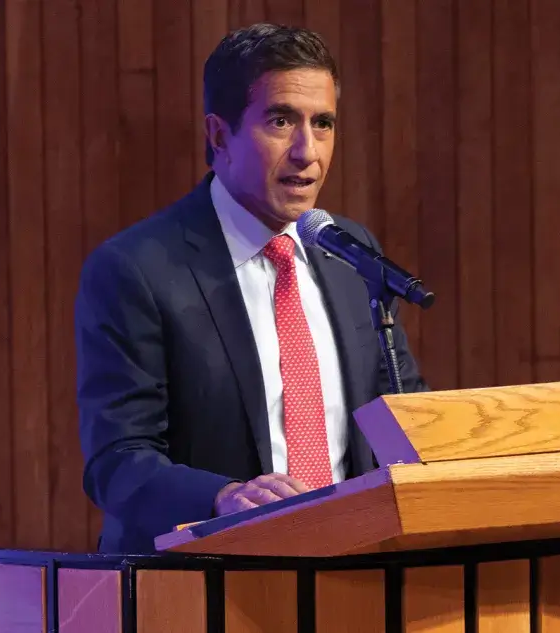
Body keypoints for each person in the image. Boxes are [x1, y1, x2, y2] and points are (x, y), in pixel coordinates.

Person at [75, 23, 427, 553]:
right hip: (202, 583)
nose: (308, 151)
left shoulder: (349, 251)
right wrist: (225, 497)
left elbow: (403, 414)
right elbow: (117, 460)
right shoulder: (135, 269)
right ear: (219, 136)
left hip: (356, 568)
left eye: (324, 123)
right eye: (282, 121)